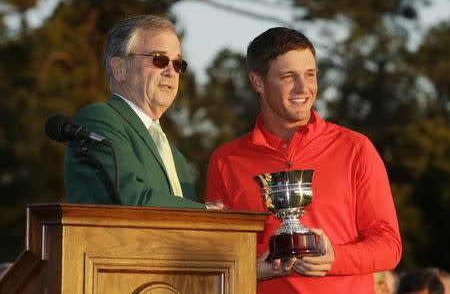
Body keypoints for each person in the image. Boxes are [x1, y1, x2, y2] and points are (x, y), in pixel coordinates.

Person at [205, 27, 402, 293]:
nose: (304, 87)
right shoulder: (226, 160)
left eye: (310, 74)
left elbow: (389, 246)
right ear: (258, 82)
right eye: (288, 76)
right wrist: (254, 268)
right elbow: (216, 255)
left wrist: (335, 258)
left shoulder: (356, 148)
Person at [65, 15, 221, 209]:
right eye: (159, 59)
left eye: (178, 64)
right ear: (120, 69)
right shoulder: (98, 120)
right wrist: (205, 213)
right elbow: (131, 198)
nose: (171, 72)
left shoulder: (175, 156)